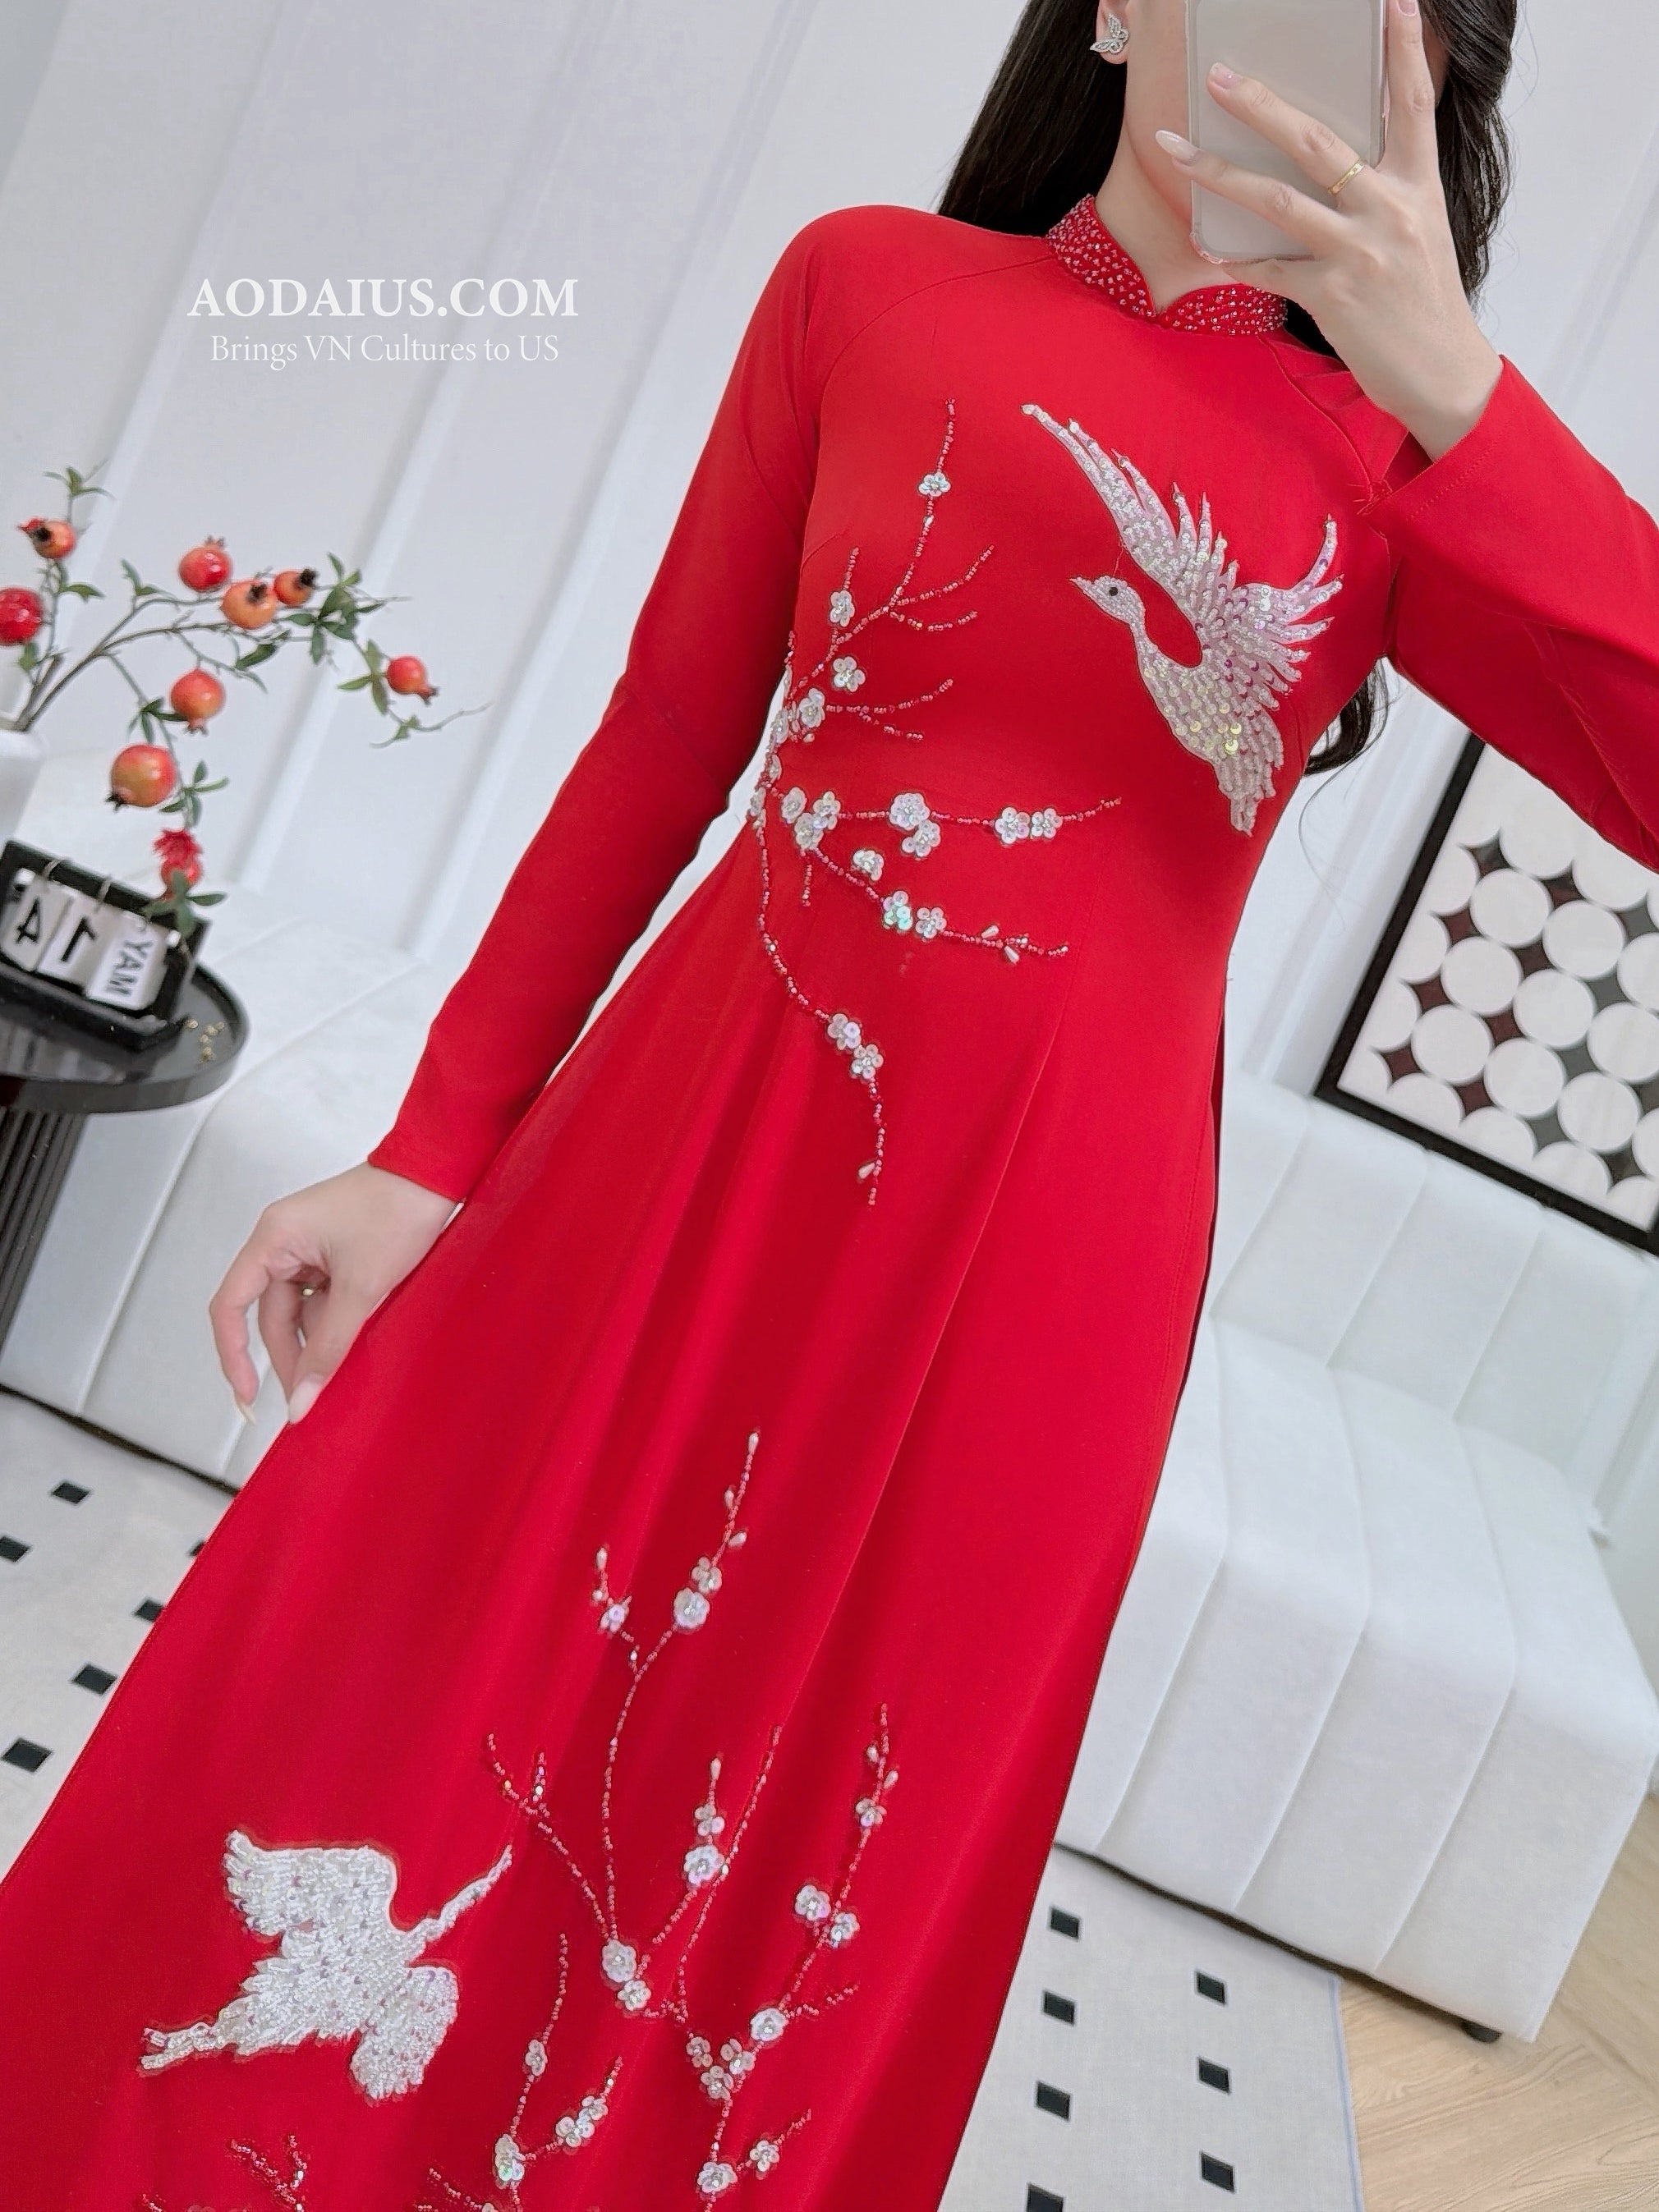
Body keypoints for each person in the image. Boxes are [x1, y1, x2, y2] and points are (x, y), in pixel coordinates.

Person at [2, 0, 1657, 2202]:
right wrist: (430, 1149)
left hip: (1044, 1267)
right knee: (403, 1663)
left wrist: (1449, 383)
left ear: (1418, 83)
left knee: (802, 1834)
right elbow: (665, 736)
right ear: (1109, 8)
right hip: (686, 1137)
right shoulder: (866, 286)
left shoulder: (1395, 461)